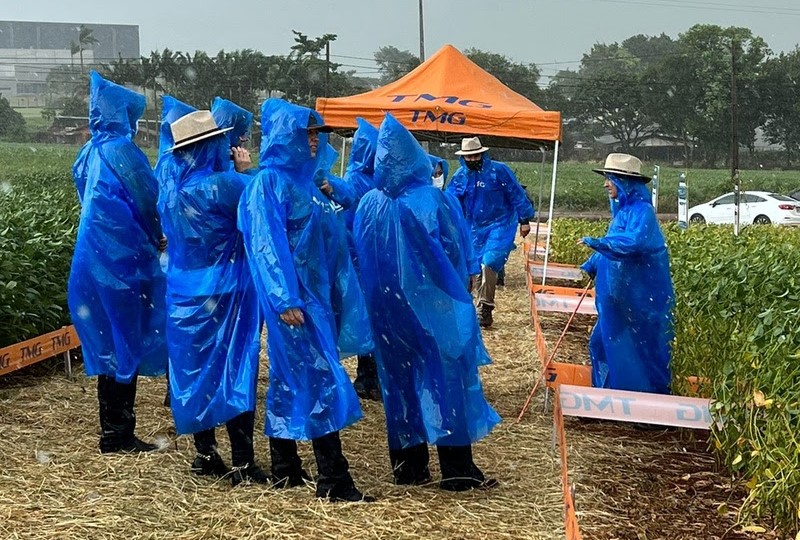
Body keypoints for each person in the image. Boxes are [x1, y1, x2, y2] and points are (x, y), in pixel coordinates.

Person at [354, 113, 501, 491]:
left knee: (398, 384)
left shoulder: (369, 204)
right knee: (446, 380)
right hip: (431, 309)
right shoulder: (433, 199)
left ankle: (408, 467)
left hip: (387, 313)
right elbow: (453, 252)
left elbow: (360, 256)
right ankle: (457, 470)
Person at [238, 98, 374, 502]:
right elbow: (266, 245)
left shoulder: (306, 183)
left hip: (312, 299)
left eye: (316, 134)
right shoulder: (270, 183)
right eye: (307, 133)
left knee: (291, 377)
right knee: (318, 379)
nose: (314, 141)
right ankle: (334, 479)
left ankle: (286, 467)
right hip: (295, 303)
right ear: (286, 136)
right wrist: (284, 299)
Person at [156, 106, 267, 486]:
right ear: (211, 145)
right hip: (226, 293)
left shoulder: (170, 192)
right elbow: (262, 205)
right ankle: (242, 462)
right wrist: (246, 168)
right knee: (236, 368)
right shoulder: (224, 185)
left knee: (196, 373)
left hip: (183, 295)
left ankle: (206, 454)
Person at [68, 71, 168, 454]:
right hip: (120, 262)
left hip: (89, 258)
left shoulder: (89, 151)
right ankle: (119, 433)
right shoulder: (123, 152)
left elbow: (83, 191)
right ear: (123, 116)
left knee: (105, 341)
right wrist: (157, 233)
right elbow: (147, 199)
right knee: (125, 339)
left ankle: (112, 429)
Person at [579, 153, 674, 394]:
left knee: (640, 349)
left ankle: (647, 402)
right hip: (619, 298)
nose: (606, 184)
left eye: (610, 178)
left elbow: (632, 243)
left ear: (625, 183)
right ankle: (607, 395)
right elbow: (614, 242)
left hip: (641, 299)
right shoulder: (622, 213)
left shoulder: (643, 213)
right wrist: (593, 263)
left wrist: (599, 244)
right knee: (602, 344)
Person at [447, 137, 534, 328]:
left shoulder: (499, 171)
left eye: (475, 155)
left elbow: (516, 194)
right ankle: (474, 306)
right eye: (468, 156)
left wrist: (524, 220)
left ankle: (485, 306)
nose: (472, 159)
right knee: (474, 267)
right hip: (473, 228)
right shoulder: (461, 176)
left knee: (490, 261)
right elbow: (451, 201)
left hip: (500, 224)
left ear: (482, 154)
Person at [337, 117, 382, 401]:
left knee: (369, 321)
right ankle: (367, 378)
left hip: (368, 262)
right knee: (365, 320)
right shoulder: (353, 181)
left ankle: (368, 378)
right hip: (360, 262)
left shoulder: (370, 180)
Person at [210, 97, 256, 175]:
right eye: (243, 133)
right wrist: (243, 172)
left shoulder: (204, 158)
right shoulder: (216, 168)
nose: (245, 139)